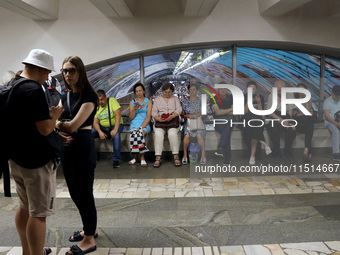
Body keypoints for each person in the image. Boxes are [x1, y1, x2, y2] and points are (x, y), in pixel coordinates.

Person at [7, 49, 63, 255]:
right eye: (47, 72)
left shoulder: (12, 85)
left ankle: (26, 252)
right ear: (39, 68)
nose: (48, 77)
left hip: (16, 158)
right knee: (38, 214)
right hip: (36, 161)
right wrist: (55, 115)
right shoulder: (33, 90)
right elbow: (45, 129)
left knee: (24, 207)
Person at [56, 56, 98, 255]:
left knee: (84, 192)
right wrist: (59, 125)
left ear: (80, 71)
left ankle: (89, 239)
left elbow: (72, 125)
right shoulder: (65, 96)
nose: (67, 74)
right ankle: (89, 228)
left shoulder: (89, 96)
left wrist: (57, 124)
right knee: (74, 192)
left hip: (82, 145)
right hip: (67, 147)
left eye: (72, 70)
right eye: (64, 71)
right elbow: (57, 119)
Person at [152, 83, 182, 167]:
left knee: (172, 134)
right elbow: (154, 111)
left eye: (169, 92)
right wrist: (158, 118)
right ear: (162, 92)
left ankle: (175, 156)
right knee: (158, 134)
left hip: (172, 122)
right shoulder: (158, 99)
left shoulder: (175, 99)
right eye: (165, 92)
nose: (167, 94)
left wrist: (172, 116)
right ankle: (158, 157)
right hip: (160, 122)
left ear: (172, 91)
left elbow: (179, 109)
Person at [266, 79, 296, 162]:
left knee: (291, 130)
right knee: (274, 128)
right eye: (278, 90)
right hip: (274, 116)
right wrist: (281, 120)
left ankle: (287, 152)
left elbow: (290, 112)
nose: (280, 91)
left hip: (285, 116)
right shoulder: (271, 96)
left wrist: (288, 122)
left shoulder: (290, 95)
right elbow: (270, 112)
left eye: (281, 89)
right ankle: (277, 153)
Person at [92, 90, 124, 168]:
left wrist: (115, 129)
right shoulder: (96, 106)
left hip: (115, 125)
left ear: (106, 97)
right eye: (98, 100)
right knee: (89, 133)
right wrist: (99, 132)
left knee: (116, 136)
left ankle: (116, 160)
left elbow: (118, 115)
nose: (100, 102)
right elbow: (95, 122)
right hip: (103, 127)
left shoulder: (112, 101)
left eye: (102, 99)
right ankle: (93, 157)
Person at [244, 81, 272, 165]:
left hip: (257, 119)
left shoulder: (260, 97)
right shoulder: (244, 97)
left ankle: (252, 157)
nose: (252, 91)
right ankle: (264, 144)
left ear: (256, 90)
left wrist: (259, 102)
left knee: (254, 130)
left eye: (253, 89)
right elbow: (244, 112)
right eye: (250, 89)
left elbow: (261, 113)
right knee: (254, 126)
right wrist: (249, 102)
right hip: (247, 119)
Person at [181, 84, 206, 164]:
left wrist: (197, 115)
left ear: (197, 91)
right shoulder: (184, 101)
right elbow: (183, 115)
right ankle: (185, 155)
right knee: (187, 135)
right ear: (188, 91)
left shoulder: (201, 101)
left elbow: (204, 113)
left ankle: (203, 155)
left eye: (194, 89)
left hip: (199, 123)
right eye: (190, 89)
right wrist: (190, 116)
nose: (192, 91)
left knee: (199, 135)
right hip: (188, 123)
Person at [128, 83, 152, 166]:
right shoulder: (132, 102)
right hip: (134, 123)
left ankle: (141, 157)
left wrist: (141, 127)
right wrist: (134, 109)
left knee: (140, 134)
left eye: (140, 91)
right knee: (134, 134)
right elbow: (131, 118)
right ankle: (135, 157)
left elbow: (148, 117)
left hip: (145, 123)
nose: (138, 93)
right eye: (136, 91)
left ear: (143, 91)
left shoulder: (148, 101)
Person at [210, 85, 233, 165]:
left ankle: (220, 148)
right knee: (227, 131)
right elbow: (217, 112)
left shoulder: (231, 98)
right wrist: (230, 110)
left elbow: (234, 112)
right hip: (218, 121)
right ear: (218, 90)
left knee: (227, 127)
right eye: (221, 89)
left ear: (227, 89)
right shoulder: (214, 99)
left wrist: (222, 111)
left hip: (229, 120)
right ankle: (227, 158)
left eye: (224, 89)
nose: (223, 91)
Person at [293, 83, 315, 161]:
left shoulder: (309, 100)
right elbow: (295, 115)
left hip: (306, 123)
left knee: (309, 123)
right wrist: (305, 113)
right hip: (298, 123)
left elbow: (309, 112)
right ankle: (309, 151)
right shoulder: (294, 100)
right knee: (309, 122)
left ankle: (306, 149)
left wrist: (306, 100)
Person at [323, 85, 340, 161]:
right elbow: (327, 116)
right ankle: (336, 153)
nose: (337, 96)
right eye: (335, 95)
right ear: (332, 93)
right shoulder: (327, 101)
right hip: (330, 121)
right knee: (336, 131)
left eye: (338, 95)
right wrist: (336, 123)